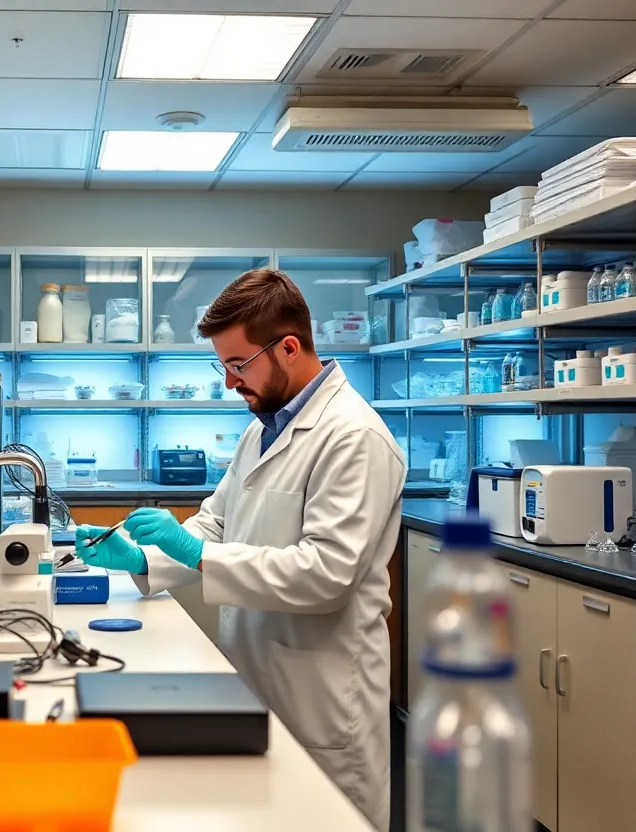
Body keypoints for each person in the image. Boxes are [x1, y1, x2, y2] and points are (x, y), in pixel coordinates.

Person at [77, 269, 406, 831]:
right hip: (252, 674)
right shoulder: (263, 428)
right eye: (222, 366)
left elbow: (325, 575)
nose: (230, 382)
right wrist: (144, 558)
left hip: (321, 694)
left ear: (289, 347)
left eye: (238, 364)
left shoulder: (355, 438)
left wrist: (198, 555)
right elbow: (216, 523)